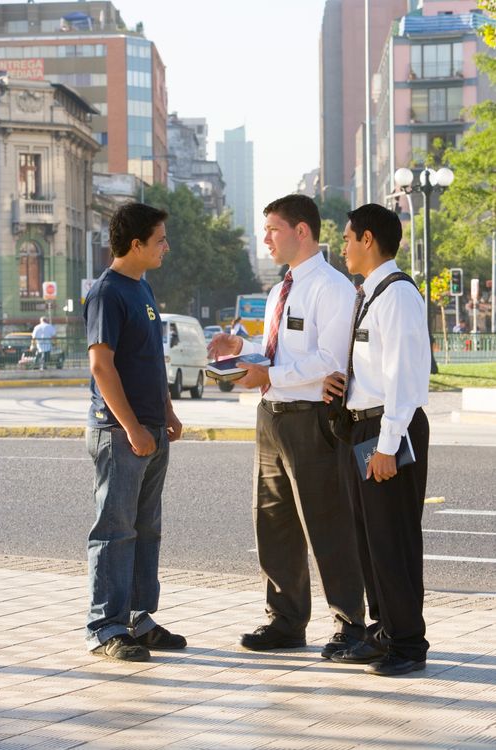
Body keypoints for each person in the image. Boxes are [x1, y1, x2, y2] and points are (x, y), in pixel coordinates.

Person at [209, 194, 365, 654]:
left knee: (327, 522)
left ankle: (351, 622)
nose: (266, 239)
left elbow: (331, 361)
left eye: (273, 229)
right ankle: (285, 620)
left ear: (302, 231)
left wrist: (270, 374)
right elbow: (282, 349)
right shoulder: (282, 289)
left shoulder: (332, 287)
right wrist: (240, 349)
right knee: (273, 522)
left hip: (311, 420)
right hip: (271, 417)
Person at [323, 203, 431, 677]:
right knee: (369, 539)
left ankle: (408, 642)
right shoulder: (370, 293)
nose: (343, 247)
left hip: (391, 428)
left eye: (347, 238)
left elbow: (406, 375)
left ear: (368, 239)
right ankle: (383, 631)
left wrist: (388, 444)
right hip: (365, 426)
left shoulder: (398, 295)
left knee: (394, 539)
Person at [83, 202, 185, 662]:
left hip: (150, 429)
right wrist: (131, 428)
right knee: (115, 530)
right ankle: (105, 627)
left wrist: (167, 413)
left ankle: (138, 618)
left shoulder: (142, 289)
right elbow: (101, 368)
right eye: (160, 239)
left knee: (147, 529)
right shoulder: (107, 293)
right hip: (119, 432)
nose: (166, 246)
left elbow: (152, 360)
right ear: (136, 243)